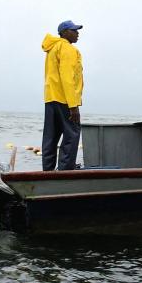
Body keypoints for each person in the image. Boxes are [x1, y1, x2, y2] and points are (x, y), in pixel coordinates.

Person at [40, 20, 84, 171]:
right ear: (64, 33)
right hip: (65, 99)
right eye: (74, 30)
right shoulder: (67, 48)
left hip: (50, 98)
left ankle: (47, 172)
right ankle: (65, 171)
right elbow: (67, 77)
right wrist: (73, 106)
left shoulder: (52, 49)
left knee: (50, 137)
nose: (77, 33)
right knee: (72, 134)